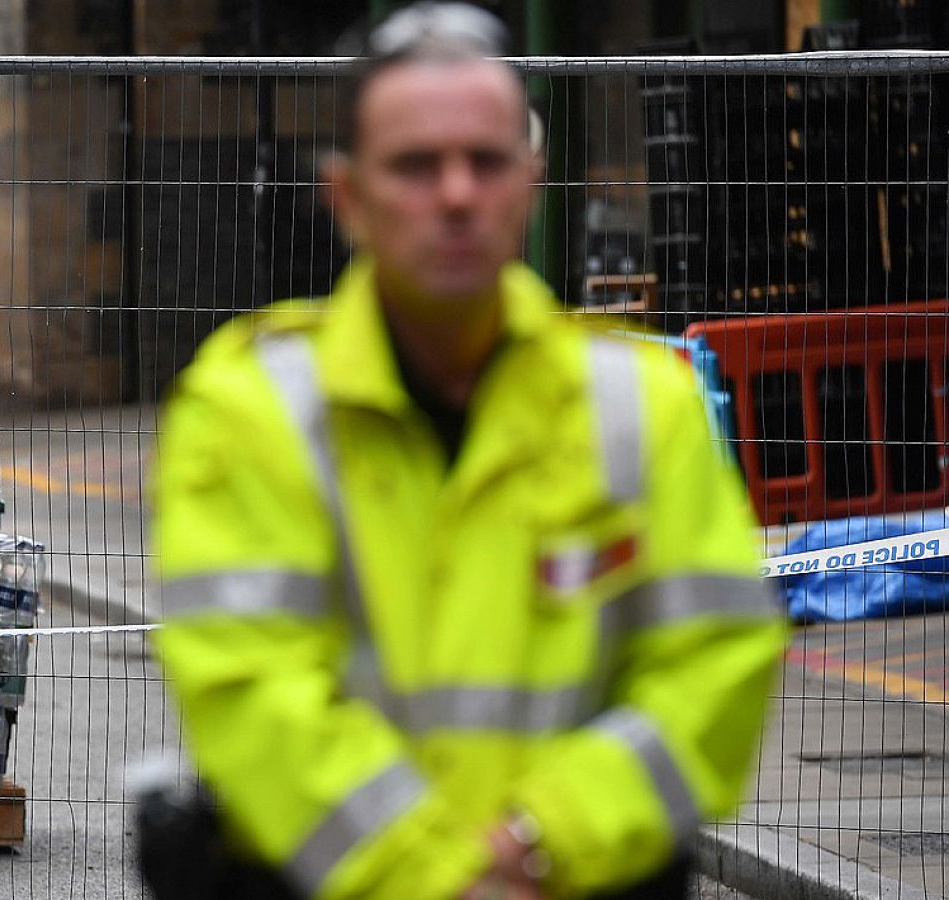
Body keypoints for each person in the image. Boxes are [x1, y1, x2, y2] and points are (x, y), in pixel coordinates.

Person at [146, 4, 789, 899]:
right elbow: (252, 687)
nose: (456, 194)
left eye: (485, 163)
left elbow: (718, 658)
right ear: (349, 199)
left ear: (531, 182)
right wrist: (445, 875)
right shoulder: (249, 411)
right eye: (415, 165)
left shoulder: (641, 406)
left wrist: (543, 838)